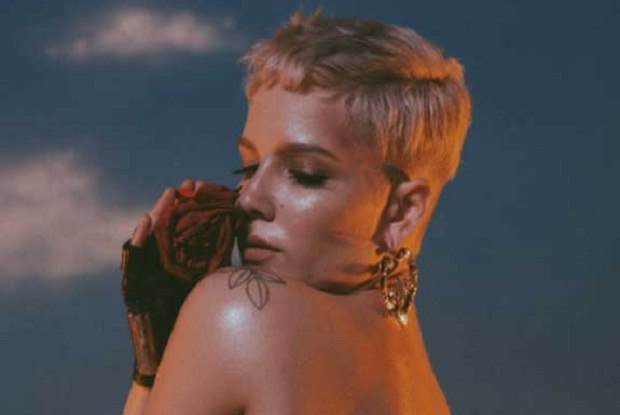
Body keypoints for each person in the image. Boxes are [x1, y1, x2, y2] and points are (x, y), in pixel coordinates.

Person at [122, 9, 471, 415]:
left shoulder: (244, 309)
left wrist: (153, 356)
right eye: (248, 168)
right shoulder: (419, 387)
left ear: (403, 212)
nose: (249, 199)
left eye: (305, 174)